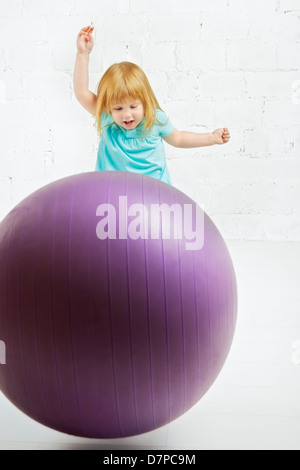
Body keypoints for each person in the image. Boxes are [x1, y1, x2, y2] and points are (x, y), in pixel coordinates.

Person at [74, 25, 230, 186]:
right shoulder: (108, 117)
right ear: (109, 107)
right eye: (118, 108)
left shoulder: (154, 119)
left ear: (145, 101)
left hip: (153, 194)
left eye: (133, 107)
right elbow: (81, 93)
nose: (126, 115)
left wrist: (211, 138)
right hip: (112, 193)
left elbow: (179, 138)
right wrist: (82, 54)